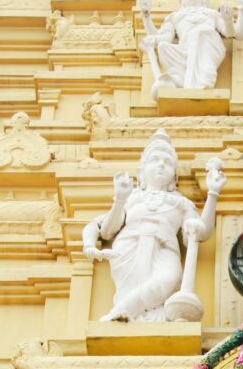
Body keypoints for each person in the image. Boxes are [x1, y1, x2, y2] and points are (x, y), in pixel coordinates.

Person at [82, 129, 224, 322]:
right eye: (154, 160)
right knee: (133, 288)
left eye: (168, 162)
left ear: (174, 176)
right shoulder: (132, 198)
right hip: (128, 247)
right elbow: (107, 230)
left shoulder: (181, 203)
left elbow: (201, 232)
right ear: (141, 171)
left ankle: (121, 311)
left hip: (165, 248)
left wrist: (213, 193)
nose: (161, 165)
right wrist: (120, 199)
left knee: (168, 279)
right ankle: (126, 313)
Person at [140, 0, 243, 91]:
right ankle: (182, 78)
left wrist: (235, 13)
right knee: (163, 47)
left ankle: (200, 81)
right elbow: (163, 38)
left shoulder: (211, 14)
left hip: (207, 46)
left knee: (201, 35)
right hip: (185, 51)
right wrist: (146, 15)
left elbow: (237, 34)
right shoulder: (175, 17)